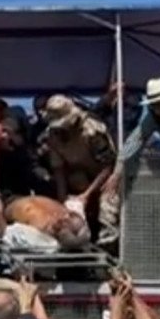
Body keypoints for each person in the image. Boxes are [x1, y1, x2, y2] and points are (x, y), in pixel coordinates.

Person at [40, 96, 118, 247]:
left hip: (105, 176)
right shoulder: (53, 135)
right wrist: (62, 200)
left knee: (108, 206)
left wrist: (86, 195)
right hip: (78, 175)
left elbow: (108, 165)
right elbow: (59, 169)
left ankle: (108, 248)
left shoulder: (92, 130)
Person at [0, 193, 92, 255]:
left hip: (6, 202)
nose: (65, 216)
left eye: (66, 222)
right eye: (70, 214)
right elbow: (78, 203)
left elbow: (4, 232)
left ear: (63, 233)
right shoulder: (73, 217)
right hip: (34, 191)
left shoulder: (39, 238)